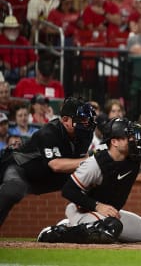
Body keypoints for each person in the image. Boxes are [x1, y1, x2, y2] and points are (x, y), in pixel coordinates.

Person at [0, 97, 96, 227]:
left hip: (46, 177)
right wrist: (90, 160)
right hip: (20, 169)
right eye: (81, 119)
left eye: (87, 119)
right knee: (14, 189)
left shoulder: (85, 134)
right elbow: (55, 165)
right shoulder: (49, 132)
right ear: (65, 120)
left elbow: (79, 162)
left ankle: (94, 223)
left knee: (90, 180)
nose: (86, 123)